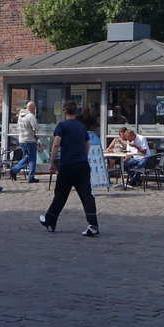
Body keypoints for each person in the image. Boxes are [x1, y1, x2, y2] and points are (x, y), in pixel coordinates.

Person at [39, 100, 99, 237]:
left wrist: (52, 162)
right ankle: (93, 224)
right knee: (86, 195)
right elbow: (87, 143)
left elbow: (56, 144)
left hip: (67, 165)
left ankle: (50, 220)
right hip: (82, 165)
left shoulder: (62, 126)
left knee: (60, 194)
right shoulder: (82, 126)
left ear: (65, 111)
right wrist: (83, 156)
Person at [10, 101, 40, 183]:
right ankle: (30, 176)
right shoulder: (30, 116)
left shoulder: (20, 116)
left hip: (22, 140)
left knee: (27, 157)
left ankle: (14, 170)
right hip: (30, 140)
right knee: (32, 158)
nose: (35, 109)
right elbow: (36, 127)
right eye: (34, 107)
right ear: (32, 108)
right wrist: (35, 132)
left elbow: (18, 128)